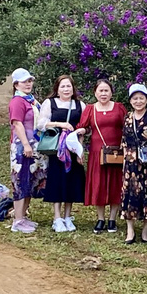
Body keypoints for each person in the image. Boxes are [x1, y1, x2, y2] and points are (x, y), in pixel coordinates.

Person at [75, 79, 127, 233]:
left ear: (111, 92)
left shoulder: (119, 108)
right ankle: (100, 218)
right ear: (95, 92)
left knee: (116, 184)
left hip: (116, 153)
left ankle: (112, 219)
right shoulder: (90, 109)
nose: (103, 94)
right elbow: (82, 128)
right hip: (97, 153)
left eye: (106, 90)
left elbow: (128, 128)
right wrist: (79, 149)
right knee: (99, 184)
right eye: (100, 91)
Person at [38, 75, 87, 232]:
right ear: (57, 89)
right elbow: (40, 124)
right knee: (57, 180)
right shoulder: (50, 103)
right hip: (57, 149)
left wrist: (81, 149)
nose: (66, 89)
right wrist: (60, 124)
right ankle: (57, 217)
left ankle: (67, 216)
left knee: (71, 181)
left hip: (73, 148)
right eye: (63, 86)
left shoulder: (80, 105)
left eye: (69, 86)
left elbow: (85, 127)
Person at [121, 83, 147, 244]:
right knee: (129, 194)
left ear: (146, 99)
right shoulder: (128, 117)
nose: (138, 101)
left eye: (141, 98)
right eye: (135, 98)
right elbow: (124, 139)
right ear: (131, 101)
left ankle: (145, 230)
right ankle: (130, 230)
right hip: (130, 162)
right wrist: (125, 159)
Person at [8, 68, 47, 233]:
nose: (28, 84)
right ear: (16, 84)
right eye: (24, 81)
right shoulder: (18, 101)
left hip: (35, 146)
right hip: (22, 147)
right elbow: (17, 123)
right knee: (20, 180)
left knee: (30, 180)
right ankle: (17, 220)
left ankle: (23, 216)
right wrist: (25, 144)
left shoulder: (31, 100)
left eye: (30, 81)